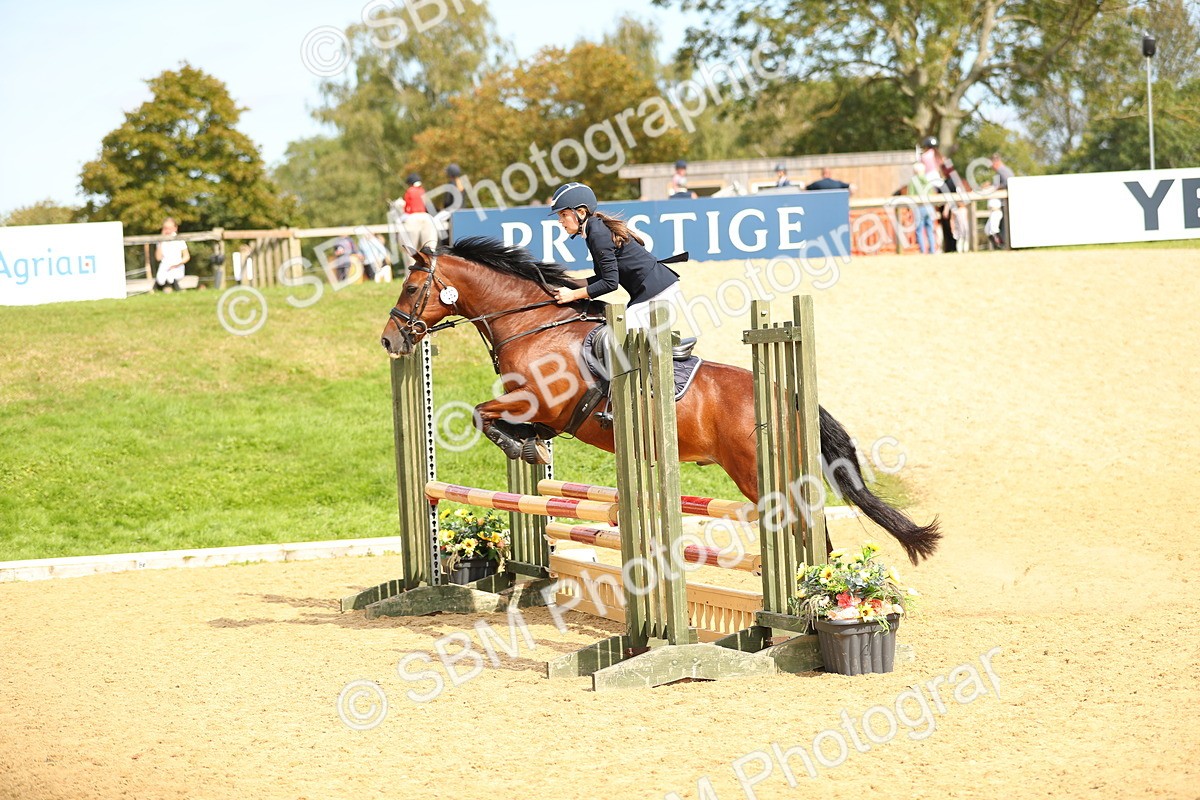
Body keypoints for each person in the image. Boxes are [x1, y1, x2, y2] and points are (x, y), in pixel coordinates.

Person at [548, 182, 685, 332]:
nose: (560, 221)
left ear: (581, 212)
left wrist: (573, 295)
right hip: (650, 291)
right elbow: (601, 279)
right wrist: (561, 281)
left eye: (564, 215)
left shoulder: (598, 234)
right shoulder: (593, 230)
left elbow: (610, 283)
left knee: (616, 337)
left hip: (658, 292)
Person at [395, 173, 438, 269]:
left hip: (412, 218)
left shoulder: (409, 191)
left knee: (410, 249)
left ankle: (411, 270)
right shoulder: (423, 191)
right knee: (430, 249)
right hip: (425, 217)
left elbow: (407, 208)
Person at [907, 162, 937, 255]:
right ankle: (932, 250)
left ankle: (922, 251)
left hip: (919, 208)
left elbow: (910, 195)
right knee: (930, 229)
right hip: (929, 207)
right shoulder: (927, 179)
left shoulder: (913, 180)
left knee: (919, 230)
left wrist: (909, 208)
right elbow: (932, 193)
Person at [154, 217, 189, 292]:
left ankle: (173, 289)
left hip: (177, 265)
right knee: (161, 278)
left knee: (171, 277)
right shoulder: (160, 241)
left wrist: (176, 265)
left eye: (170, 228)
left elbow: (186, 256)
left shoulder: (179, 240)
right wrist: (161, 241)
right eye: (165, 228)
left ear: (175, 228)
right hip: (165, 266)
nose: (168, 230)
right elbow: (158, 258)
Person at [991, 153, 1015, 248]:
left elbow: (1007, 183)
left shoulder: (1002, 171)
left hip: (1007, 201)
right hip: (1008, 201)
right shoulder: (1005, 170)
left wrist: (995, 188)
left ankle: (1005, 244)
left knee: (1005, 223)